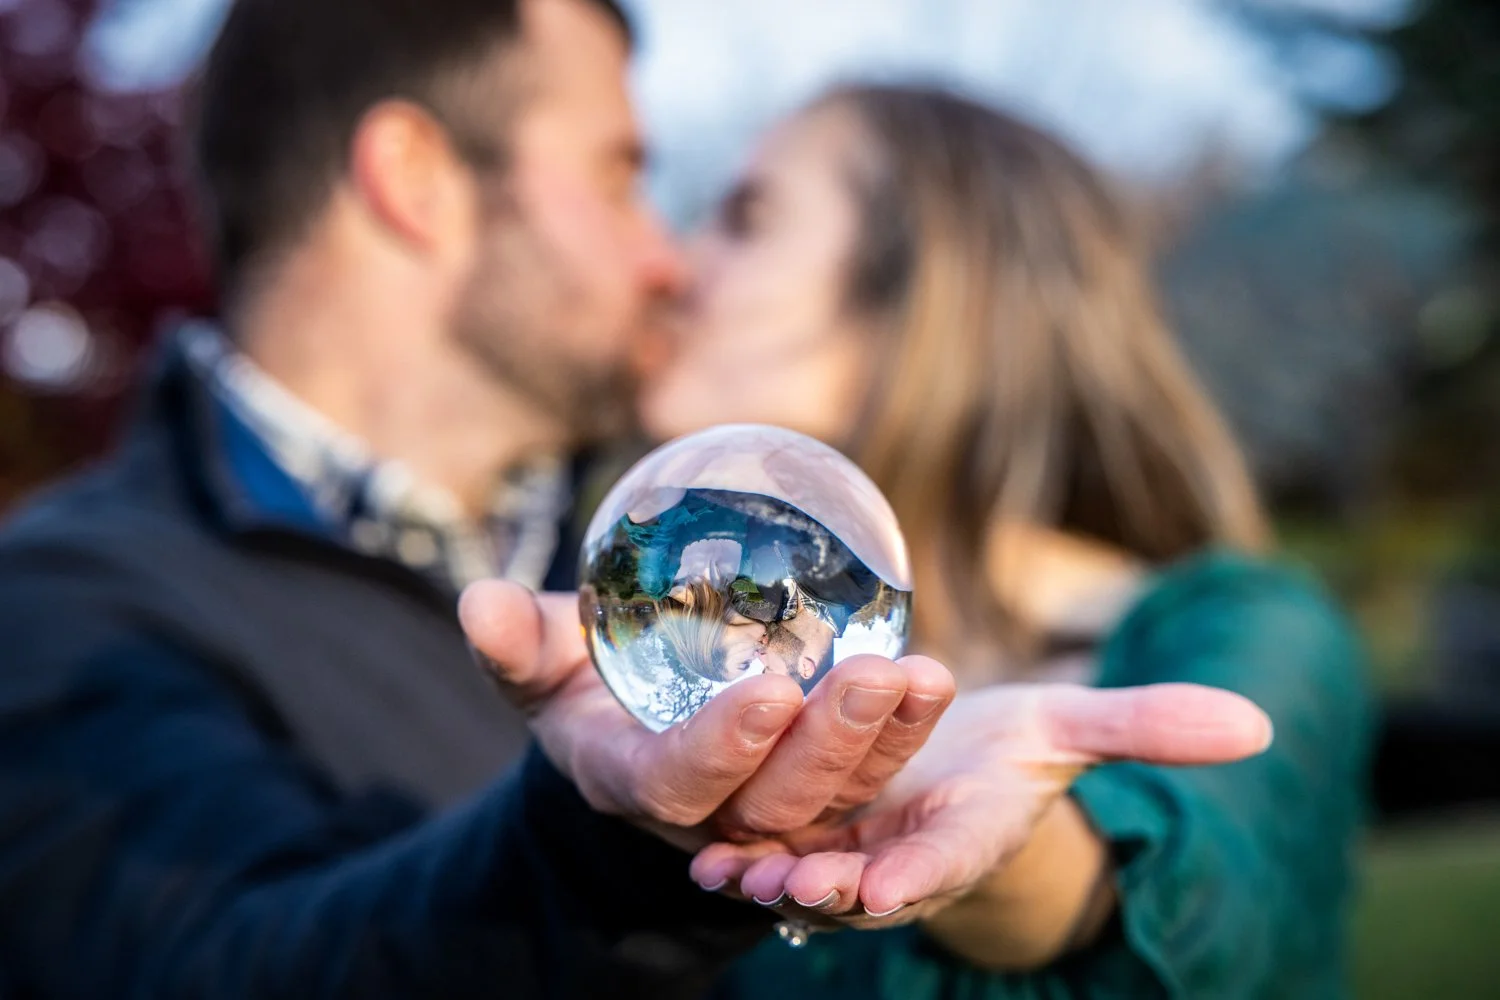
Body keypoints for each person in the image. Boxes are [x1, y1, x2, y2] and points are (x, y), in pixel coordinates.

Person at [0, 3, 967, 995]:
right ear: (415, 177)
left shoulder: (649, 548)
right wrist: (612, 842)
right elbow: (217, 963)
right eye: (620, 175)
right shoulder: (62, 606)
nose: (666, 258)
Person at [637, 85, 1373, 997]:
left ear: (923, 302)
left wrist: (1002, 849)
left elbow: (1213, 905)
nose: (671, 265)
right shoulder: (713, 669)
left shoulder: (1248, 633)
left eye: (747, 219)